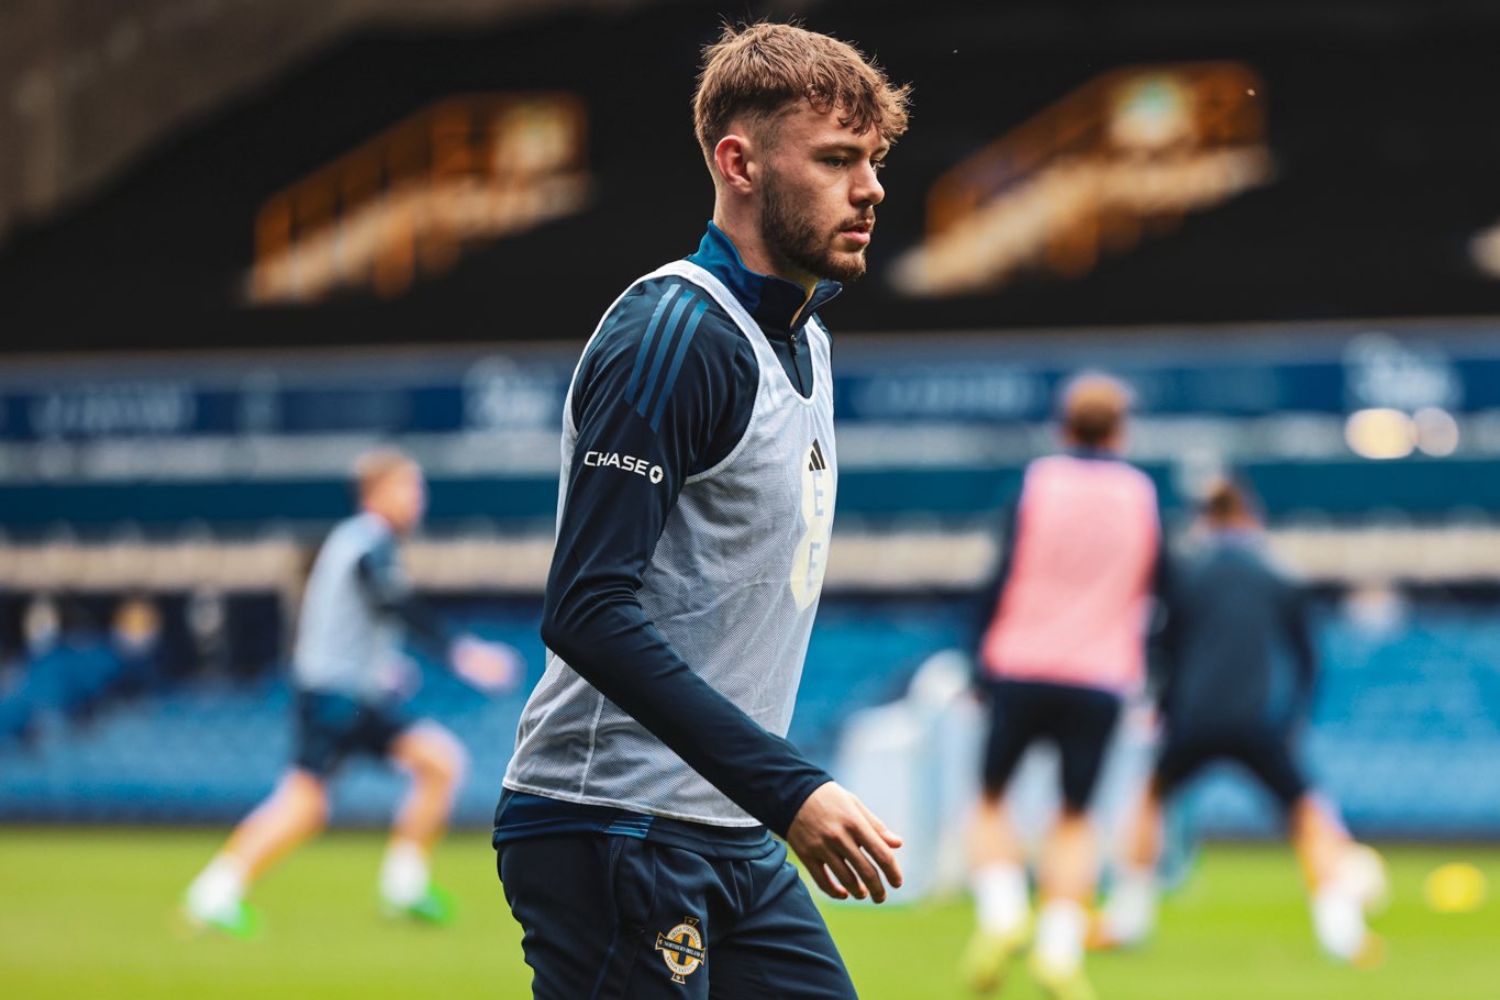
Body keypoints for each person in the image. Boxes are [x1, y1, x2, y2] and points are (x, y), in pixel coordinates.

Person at [493, 21, 911, 999]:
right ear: (740, 162)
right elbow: (586, 609)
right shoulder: (674, 337)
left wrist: (765, 799)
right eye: (839, 159)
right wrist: (792, 785)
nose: (872, 188)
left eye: (875, 161)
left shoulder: (805, 339)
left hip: (726, 829)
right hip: (614, 824)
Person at [183, 448, 518, 936]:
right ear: (378, 493)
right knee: (308, 801)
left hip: (345, 691)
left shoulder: (357, 543)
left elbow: (360, 615)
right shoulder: (368, 542)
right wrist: (462, 653)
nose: (418, 501)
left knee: (434, 764)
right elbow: (393, 601)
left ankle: (400, 887)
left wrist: (386, 667)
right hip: (335, 697)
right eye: (410, 489)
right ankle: (214, 892)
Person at [1098, 477, 1386, 965]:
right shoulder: (1278, 573)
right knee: (1306, 812)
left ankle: (1128, 917)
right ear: (1251, 516)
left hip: (1194, 715)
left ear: (1206, 521)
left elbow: (1162, 647)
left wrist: (1164, 710)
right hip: (1260, 718)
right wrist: (1294, 717)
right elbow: (1307, 657)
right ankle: (1342, 932)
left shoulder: (1187, 573)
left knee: (1150, 798)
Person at [964, 373, 1166, 999]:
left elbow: (998, 577)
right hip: (1101, 676)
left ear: (1063, 425)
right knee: (1075, 817)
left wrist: (978, 660)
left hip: (1021, 665)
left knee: (993, 798)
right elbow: (1158, 587)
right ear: (1120, 431)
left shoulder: (1035, 484)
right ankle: (1057, 947)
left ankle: (1002, 916)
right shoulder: (1141, 494)